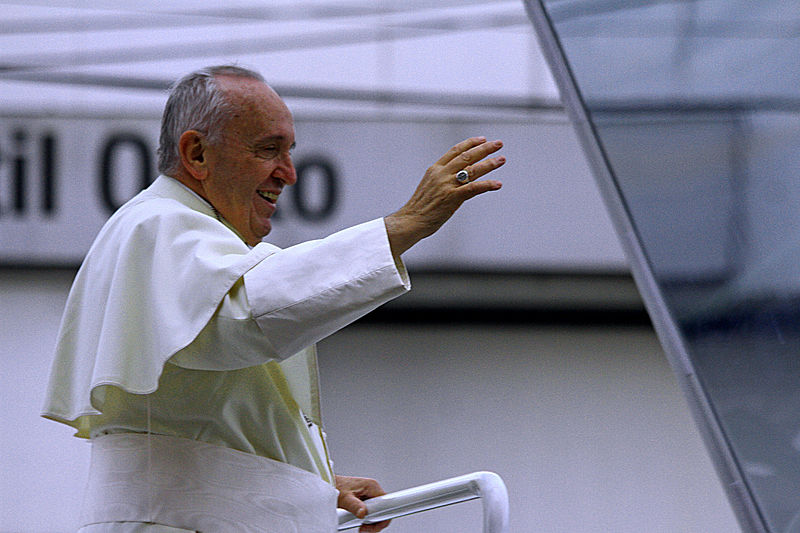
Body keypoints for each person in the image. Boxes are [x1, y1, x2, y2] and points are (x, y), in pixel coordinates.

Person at [42, 65, 505, 533]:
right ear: (197, 153)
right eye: (268, 150)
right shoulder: (157, 223)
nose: (289, 174)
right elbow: (247, 314)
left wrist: (305, 485)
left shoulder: (176, 233)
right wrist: (407, 224)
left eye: (289, 152)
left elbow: (203, 425)